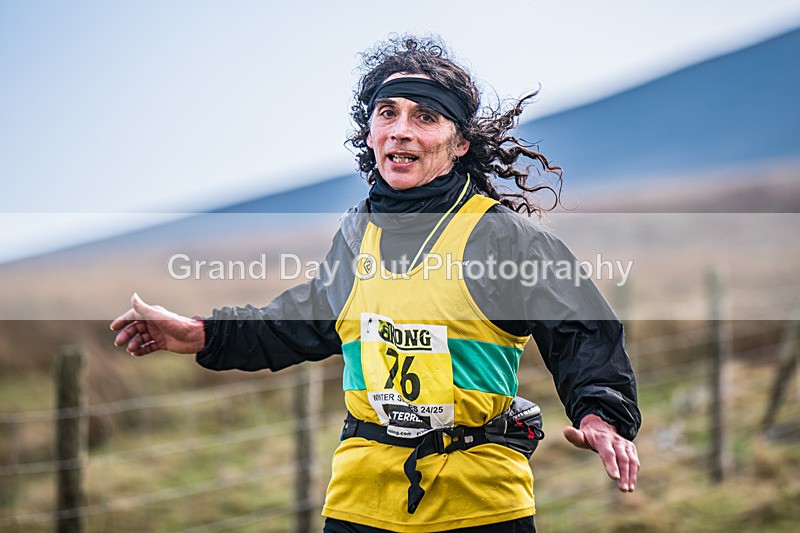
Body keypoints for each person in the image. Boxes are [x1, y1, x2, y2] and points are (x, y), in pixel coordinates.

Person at [111, 35, 640, 533]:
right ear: (370, 134)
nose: (401, 130)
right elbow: (306, 320)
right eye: (387, 113)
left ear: (460, 143)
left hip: (480, 502)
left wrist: (601, 415)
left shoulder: (505, 239)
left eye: (425, 117)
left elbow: (583, 332)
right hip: (360, 500)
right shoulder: (356, 234)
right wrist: (201, 333)